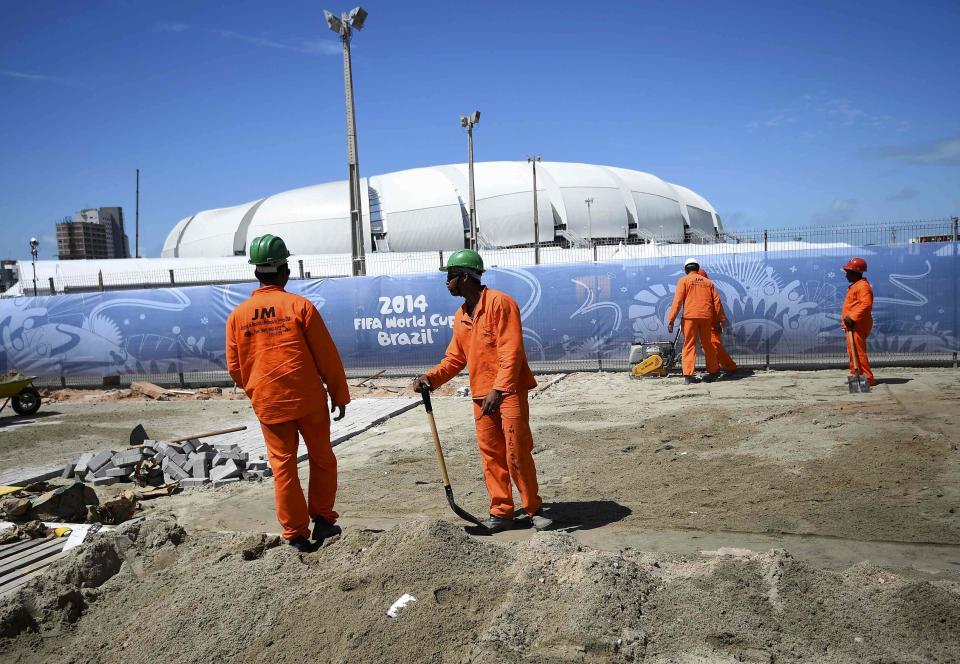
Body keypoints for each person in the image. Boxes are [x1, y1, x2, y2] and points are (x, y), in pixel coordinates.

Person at [226, 234, 351, 553]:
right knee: (322, 458)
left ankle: (295, 533)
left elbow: (235, 368)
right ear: (285, 271)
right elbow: (326, 356)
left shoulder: (238, 316)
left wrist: (257, 389)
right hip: (308, 400)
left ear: (256, 272)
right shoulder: (299, 307)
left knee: (283, 466)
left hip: (269, 404)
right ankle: (323, 519)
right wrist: (339, 394)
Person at [412, 249, 552, 534]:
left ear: (464, 276)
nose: (446, 282)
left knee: (516, 452)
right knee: (491, 455)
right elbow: (455, 358)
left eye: (450, 276)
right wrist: (431, 378)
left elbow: (511, 351)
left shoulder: (501, 304)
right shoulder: (461, 315)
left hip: (508, 391)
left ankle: (534, 509)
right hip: (481, 395)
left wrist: (498, 389)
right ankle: (501, 512)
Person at [666, 258, 722, 384]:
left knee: (689, 344)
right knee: (708, 344)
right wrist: (719, 321)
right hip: (706, 317)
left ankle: (688, 375)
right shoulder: (708, 283)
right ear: (697, 268)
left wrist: (671, 320)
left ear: (686, 269)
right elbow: (717, 303)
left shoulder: (684, 280)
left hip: (690, 317)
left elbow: (677, 302)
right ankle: (713, 372)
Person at [841, 257, 877, 386]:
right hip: (853, 324)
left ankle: (867, 378)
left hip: (857, 323)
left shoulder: (862, 286)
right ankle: (856, 375)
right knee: (853, 352)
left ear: (856, 272)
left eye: (848, 272)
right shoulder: (856, 286)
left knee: (858, 352)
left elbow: (866, 304)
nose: (846, 275)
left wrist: (853, 317)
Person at [698, 268, 737, 376]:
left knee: (713, 344)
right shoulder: (708, 287)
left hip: (710, 323)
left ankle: (725, 367)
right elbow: (717, 304)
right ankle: (723, 367)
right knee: (711, 345)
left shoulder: (705, 288)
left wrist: (721, 320)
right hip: (708, 322)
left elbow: (717, 304)